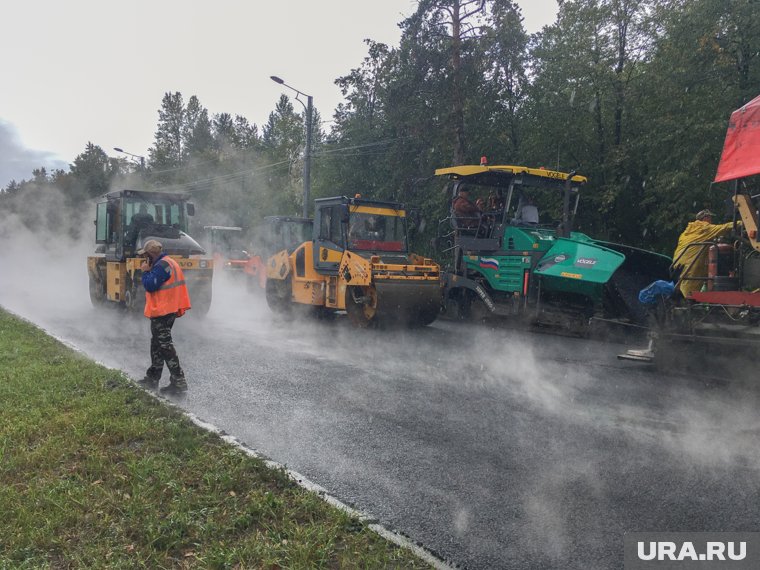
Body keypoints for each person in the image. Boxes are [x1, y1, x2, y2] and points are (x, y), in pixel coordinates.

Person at [137, 239, 191, 394]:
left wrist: (146, 271)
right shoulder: (170, 262)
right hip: (168, 309)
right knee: (157, 344)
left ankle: (178, 382)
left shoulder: (162, 266)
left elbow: (150, 284)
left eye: (145, 255)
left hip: (163, 311)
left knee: (165, 345)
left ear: (151, 254)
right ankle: (152, 378)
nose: (144, 258)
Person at [672, 209, 735, 298]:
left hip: (678, 265)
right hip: (692, 265)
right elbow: (724, 227)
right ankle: (689, 304)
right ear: (705, 218)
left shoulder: (686, 232)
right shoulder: (704, 228)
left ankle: (683, 303)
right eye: (710, 218)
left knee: (683, 287)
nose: (711, 220)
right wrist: (743, 223)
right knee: (690, 291)